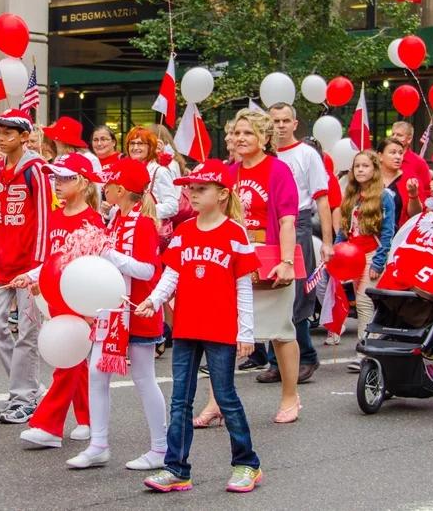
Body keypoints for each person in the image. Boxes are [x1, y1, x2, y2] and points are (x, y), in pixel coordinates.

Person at [134, 159, 262, 494]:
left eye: (201, 188)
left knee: (225, 396)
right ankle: (177, 469)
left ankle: (247, 464)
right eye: (190, 188)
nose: (192, 193)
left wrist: (245, 332)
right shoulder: (184, 231)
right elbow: (171, 275)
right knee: (181, 399)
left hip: (221, 329)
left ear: (222, 194)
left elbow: (244, 286)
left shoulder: (235, 233)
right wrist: (155, 300)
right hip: (187, 327)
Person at [66, 157, 166, 470]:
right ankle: (98, 444)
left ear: (120, 190)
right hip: (112, 310)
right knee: (97, 371)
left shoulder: (144, 223)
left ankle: (161, 448)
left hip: (138, 310)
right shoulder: (117, 219)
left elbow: (148, 269)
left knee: (144, 378)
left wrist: (108, 254)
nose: (104, 188)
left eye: (108, 184)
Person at [0, 109, 51, 424]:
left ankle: (24, 398)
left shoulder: (37, 170)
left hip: (29, 264)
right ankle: (27, 387)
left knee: (29, 332)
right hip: (1, 263)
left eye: (8, 134)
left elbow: (45, 218)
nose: (1, 139)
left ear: (24, 137)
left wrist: (38, 267)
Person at [11, 153, 101, 449]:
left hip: (80, 299)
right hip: (57, 297)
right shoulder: (57, 216)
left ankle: (48, 425)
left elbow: (91, 265)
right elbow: (53, 259)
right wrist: (32, 276)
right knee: (74, 360)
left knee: (68, 360)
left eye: (65, 178)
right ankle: (89, 419)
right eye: (55, 178)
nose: (57, 184)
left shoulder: (92, 220)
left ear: (84, 183)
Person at [222, 109, 300, 423]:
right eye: (237, 132)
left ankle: (290, 396)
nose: (240, 138)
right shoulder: (229, 173)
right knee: (224, 334)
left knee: (280, 332)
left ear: (264, 138)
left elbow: (287, 220)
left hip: (270, 259)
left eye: (248, 133)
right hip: (235, 262)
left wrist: (286, 261)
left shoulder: (278, 170)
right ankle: (218, 401)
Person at [267, 102, 333, 383]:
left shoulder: (307, 155)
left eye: (285, 121)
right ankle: (275, 361)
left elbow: (322, 199)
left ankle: (306, 356)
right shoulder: (265, 155)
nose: (280, 126)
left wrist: (328, 242)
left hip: (299, 224)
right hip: (269, 226)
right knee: (270, 292)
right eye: (275, 121)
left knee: (297, 296)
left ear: (295, 124)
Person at [336, 150, 397, 372]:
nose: (360, 170)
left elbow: (389, 231)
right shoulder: (350, 196)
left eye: (365, 166)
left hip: (373, 255)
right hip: (353, 258)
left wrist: (379, 262)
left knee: (364, 302)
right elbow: (344, 229)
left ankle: (365, 351)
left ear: (374, 170)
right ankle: (373, 348)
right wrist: (336, 250)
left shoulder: (384, 196)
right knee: (364, 306)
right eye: (357, 166)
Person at [126, 127, 179, 223]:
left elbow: (172, 207)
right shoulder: (127, 171)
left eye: (140, 143)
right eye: (132, 143)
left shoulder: (159, 171)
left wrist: (143, 210)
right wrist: (109, 210)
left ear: (150, 147)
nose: (135, 147)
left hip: (153, 228)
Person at [377, 137, 422, 226]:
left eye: (400, 153)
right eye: (393, 153)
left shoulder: (409, 178)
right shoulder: (371, 178)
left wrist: (413, 195)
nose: (398, 157)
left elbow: (416, 215)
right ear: (380, 156)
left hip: (398, 234)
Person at [391, 121, 431, 209]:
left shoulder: (419, 162)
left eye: (399, 135)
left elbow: (427, 191)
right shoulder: (385, 160)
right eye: (393, 134)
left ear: (409, 139)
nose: (394, 138)